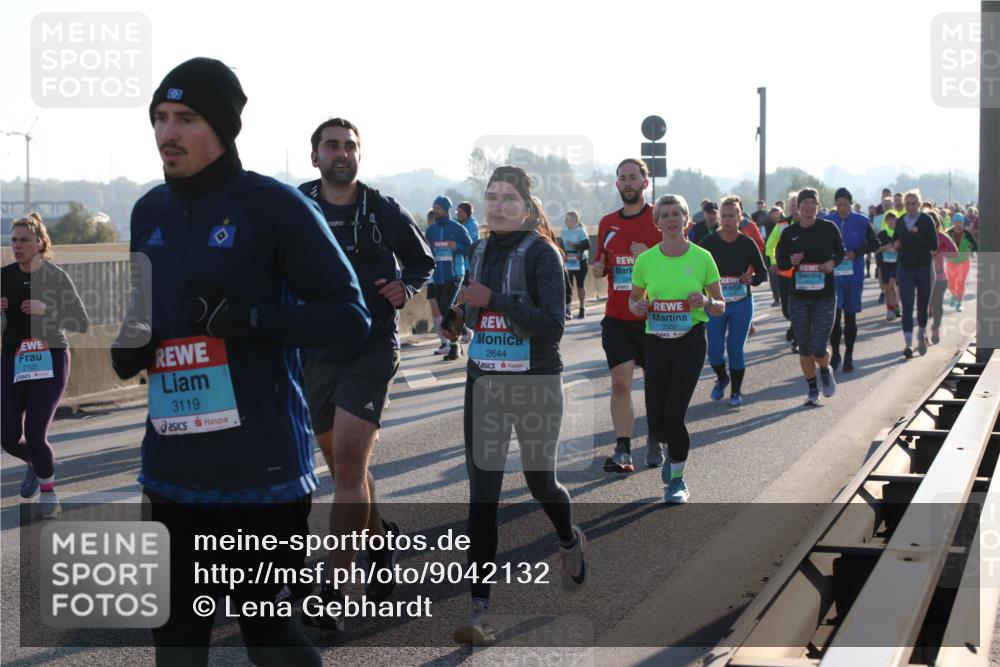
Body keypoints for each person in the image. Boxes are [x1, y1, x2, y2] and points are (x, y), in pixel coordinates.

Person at [111, 57, 370, 666]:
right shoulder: (148, 211)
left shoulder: (273, 207)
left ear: (223, 129)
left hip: (262, 473)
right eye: (159, 118)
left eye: (185, 118)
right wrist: (131, 344)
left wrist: (248, 320)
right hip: (172, 470)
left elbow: (348, 316)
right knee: (174, 643)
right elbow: (141, 314)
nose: (167, 133)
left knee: (266, 637)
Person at [298, 117, 435, 630]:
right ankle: (380, 547)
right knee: (343, 468)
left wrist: (408, 288)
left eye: (350, 146)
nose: (341, 152)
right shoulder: (297, 207)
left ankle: (333, 589)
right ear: (315, 156)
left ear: (360, 155)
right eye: (331, 145)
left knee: (351, 465)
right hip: (315, 353)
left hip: (372, 347)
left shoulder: (381, 209)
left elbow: (424, 261)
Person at [443, 166, 585, 646]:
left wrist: (495, 299)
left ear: (527, 206)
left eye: (508, 198)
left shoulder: (543, 252)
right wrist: (459, 316)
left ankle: (569, 538)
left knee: (539, 481)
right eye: (491, 197)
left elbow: (553, 325)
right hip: (484, 381)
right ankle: (479, 608)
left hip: (536, 380)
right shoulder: (480, 247)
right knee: (482, 495)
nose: (498, 205)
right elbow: (475, 306)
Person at [629, 194, 724, 503]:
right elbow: (633, 302)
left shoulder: (702, 257)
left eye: (676, 214)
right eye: (665, 215)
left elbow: (720, 305)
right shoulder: (645, 261)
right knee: (656, 422)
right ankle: (671, 454)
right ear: (657, 223)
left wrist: (706, 301)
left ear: (686, 220)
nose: (671, 219)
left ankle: (678, 482)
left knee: (675, 414)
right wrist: (639, 306)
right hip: (656, 341)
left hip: (690, 340)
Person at [1, 213, 89, 519]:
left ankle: (49, 492)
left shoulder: (55, 276)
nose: (17, 246)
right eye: (13, 240)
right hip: (14, 359)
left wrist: (47, 310)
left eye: (24, 240)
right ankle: (34, 463)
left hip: (50, 357)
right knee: (8, 435)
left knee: (35, 433)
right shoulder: (5, 276)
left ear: (40, 243)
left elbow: (81, 321)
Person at [591, 158, 665, 472]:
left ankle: (656, 436)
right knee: (620, 384)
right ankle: (623, 449)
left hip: (655, 318)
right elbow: (603, 264)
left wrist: (646, 258)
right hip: (618, 317)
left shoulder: (661, 219)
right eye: (622, 178)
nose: (628, 183)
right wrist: (598, 267)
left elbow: (677, 264)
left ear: (645, 183)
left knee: (656, 385)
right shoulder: (608, 222)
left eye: (633, 177)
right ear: (617, 184)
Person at [776, 188, 846, 406]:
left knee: (817, 346)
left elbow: (841, 252)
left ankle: (825, 370)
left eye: (812, 203)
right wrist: (791, 259)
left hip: (824, 296)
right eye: (804, 203)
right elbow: (781, 261)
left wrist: (831, 264)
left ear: (818, 206)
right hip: (798, 296)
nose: (808, 207)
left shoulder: (828, 228)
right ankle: (812, 390)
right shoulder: (789, 232)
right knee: (804, 347)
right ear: (798, 207)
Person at [699, 196, 767, 406]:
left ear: (740, 217)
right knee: (714, 352)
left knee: (735, 349)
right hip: (715, 304)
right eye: (724, 216)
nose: (728, 220)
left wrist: (751, 279)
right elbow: (695, 270)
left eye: (732, 216)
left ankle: (736, 392)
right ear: (720, 217)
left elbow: (762, 274)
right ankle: (722, 378)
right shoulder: (708, 243)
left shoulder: (747, 243)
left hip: (741, 303)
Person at [821, 188, 880, 372]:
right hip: (834, 277)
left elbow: (875, 244)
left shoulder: (862, 221)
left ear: (851, 204)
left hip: (854, 277)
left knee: (851, 318)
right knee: (835, 318)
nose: (842, 208)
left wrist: (857, 252)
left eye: (845, 204)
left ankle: (849, 355)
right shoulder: (828, 221)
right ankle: (836, 354)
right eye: (839, 205)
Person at [426, 196, 473, 360]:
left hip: (454, 275)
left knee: (447, 307)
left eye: (438, 208)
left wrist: (457, 247)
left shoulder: (457, 228)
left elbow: (470, 248)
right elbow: (426, 251)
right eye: (434, 208)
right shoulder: (431, 230)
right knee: (445, 309)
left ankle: (453, 346)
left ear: (446, 209)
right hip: (437, 276)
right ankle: (458, 340)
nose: (435, 211)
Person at [892, 189, 938, 358]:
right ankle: (908, 344)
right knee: (907, 307)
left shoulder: (926, 220)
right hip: (905, 268)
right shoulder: (900, 221)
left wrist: (918, 234)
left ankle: (921, 334)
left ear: (919, 204)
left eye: (913, 203)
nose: (910, 207)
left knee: (922, 305)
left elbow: (934, 245)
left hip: (923, 267)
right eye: (908, 204)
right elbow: (896, 239)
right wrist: (895, 244)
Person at [928, 211, 958, 344]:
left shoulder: (942, 237)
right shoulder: (918, 236)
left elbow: (955, 254)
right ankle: (922, 334)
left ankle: (935, 328)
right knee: (924, 305)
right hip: (922, 276)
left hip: (940, 276)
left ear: (936, 222)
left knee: (937, 304)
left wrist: (940, 253)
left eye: (932, 220)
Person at [561, 210, 590, 319]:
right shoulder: (564, 231)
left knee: (580, 285)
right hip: (569, 259)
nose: (565, 221)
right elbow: (561, 244)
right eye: (565, 219)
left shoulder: (581, 231)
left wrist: (575, 245)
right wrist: (562, 252)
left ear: (574, 220)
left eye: (567, 219)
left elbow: (587, 245)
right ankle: (568, 309)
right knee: (568, 285)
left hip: (581, 260)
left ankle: (582, 308)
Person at [945, 216, 977, 311]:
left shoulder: (967, 234)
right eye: (956, 221)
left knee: (960, 282)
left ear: (962, 223)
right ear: (953, 222)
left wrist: (969, 250)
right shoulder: (949, 233)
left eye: (959, 222)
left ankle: (959, 303)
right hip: (951, 261)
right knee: (951, 283)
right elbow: (942, 244)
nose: (958, 224)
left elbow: (975, 246)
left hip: (963, 261)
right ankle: (954, 295)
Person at [875, 212, 901, 321]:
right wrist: (888, 246)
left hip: (897, 264)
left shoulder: (900, 234)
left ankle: (892, 309)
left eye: (893, 219)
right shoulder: (882, 234)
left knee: (891, 285)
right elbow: (876, 250)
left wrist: (897, 248)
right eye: (889, 220)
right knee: (887, 288)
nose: (891, 222)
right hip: (885, 264)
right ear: (886, 222)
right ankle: (892, 308)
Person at [764, 206, 785, 307]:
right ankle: (776, 298)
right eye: (774, 217)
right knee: (773, 277)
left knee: (784, 277)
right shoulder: (767, 224)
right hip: (770, 252)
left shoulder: (785, 223)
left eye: (777, 217)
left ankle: (784, 296)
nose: (776, 219)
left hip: (782, 253)